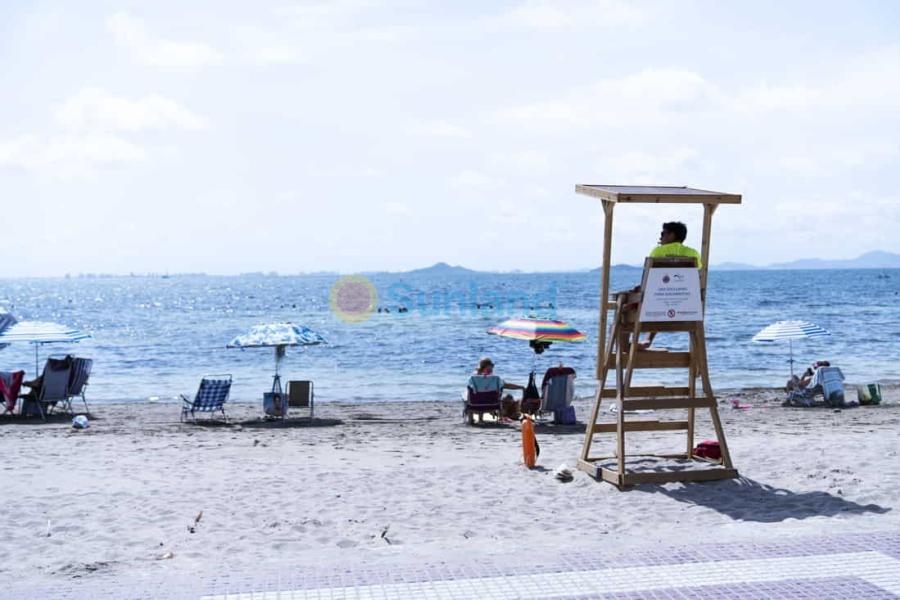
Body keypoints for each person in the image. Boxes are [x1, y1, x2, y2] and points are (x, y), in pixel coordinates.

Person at [637, 221, 702, 350]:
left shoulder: (658, 251)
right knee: (665, 299)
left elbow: (649, 276)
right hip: (685, 306)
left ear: (672, 235)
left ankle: (626, 346)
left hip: (658, 303)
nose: (660, 237)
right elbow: (698, 271)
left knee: (625, 305)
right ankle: (648, 341)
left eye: (663, 234)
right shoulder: (693, 254)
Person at [466, 357, 524, 424]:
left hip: (474, 404)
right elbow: (506, 385)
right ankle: (499, 417)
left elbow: (470, 387)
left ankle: (471, 419)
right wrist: (521, 387)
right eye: (492, 365)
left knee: (469, 395)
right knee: (507, 396)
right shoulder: (494, 378)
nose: (493, 367)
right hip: (492, 403)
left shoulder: (473, 377)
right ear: (487, 366)